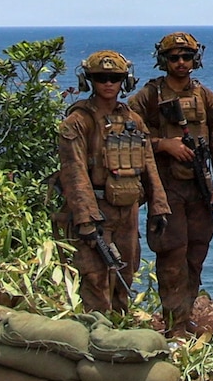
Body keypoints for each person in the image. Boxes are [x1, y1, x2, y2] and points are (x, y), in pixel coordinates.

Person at [128, 32, 213, 337]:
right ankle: (173, 323)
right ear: (164, 61)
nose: (181, 63)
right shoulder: (148, 97)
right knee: (172, 253)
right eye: (174, 58)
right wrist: (163, 145)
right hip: (165, 185)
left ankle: (185, 315)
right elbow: (129, 133)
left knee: (196, 251)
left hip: (199, 185)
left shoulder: (205, 97)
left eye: (186, 57)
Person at [56, 50, 170, 313]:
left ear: (124, 81)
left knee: (125, 272)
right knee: (95, 276)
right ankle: (98, 333)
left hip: (127, 211)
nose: (108, 83)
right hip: (97, 210)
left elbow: (148, 164)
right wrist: (85, 218)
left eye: (114, 78)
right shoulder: (78, 121)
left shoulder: (132, 119)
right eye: (101, 78)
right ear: (90, 81)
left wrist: (159, 206)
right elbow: (74, 172)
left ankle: (119, 329)